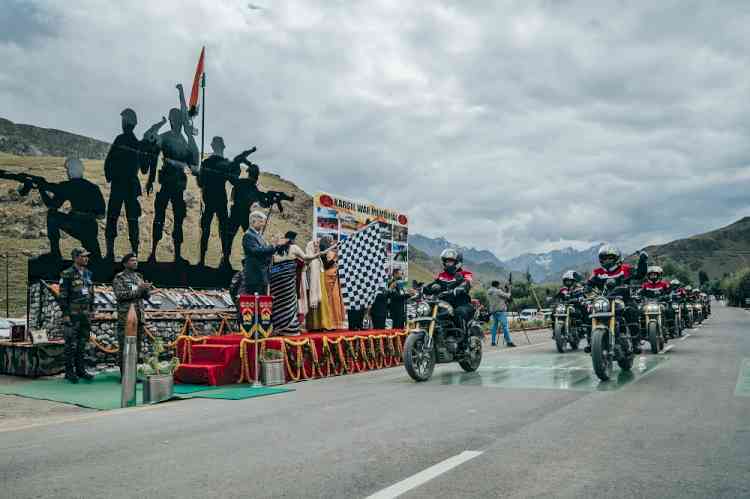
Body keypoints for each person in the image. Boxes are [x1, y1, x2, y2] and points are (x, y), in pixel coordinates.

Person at [146, 84, 200, 264]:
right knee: (159, 219)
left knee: (178, 220)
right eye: (173, 118)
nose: (176, 120)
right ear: (170, 120)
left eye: (178, 118)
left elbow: (193, 166)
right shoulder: (166, 137)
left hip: (178, 185)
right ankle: (153, 252)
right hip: (167, 182)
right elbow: (150, 139)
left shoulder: (185, 141)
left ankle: (177, 255)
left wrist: (183, 95)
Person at [104, 108, 166, 260]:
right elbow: (144, 169)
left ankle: (113, 253)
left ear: (126, 123)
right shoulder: (138, 145)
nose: (123, 123)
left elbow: (109, 162)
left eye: (124, 120)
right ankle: (133, 253)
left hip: (120, 184)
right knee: (130, 219)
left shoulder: (122, 140)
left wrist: (112, 176)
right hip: (130, 184)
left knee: (115, 217)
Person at [587, 244, 648, 353]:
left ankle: (635, 342)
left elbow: (640, 274)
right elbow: (589, 284)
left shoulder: (625, 269)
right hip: (604, 300)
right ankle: (591, 341)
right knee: (588, 314)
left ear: (616, 258)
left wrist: (643, 261)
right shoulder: (597, 272)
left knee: (632, 311)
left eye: (610, 257)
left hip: (623, 299)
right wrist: (586, 289)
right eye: (604, 258)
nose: (607, 260)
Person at [195, 136, 245, 267]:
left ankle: (202, 260)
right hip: (220, 198)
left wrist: (199, 175)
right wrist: (236, 169)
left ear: (212, 146)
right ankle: (225, 259)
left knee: (207, 229)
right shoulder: (226, 164)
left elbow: (200, 183)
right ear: (222, 147)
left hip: (210, 198)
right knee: (223, 230)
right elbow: (234, 180)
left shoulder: (206, 163)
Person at [42, 158, 106, 259]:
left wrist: (42, 190)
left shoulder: (66, 186)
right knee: (95, 258)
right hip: (91, 227)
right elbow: (102, 215)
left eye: (67, 170)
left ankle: (55, 253)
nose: (67, 172)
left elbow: (52, 205)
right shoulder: (93, 187)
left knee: (52, 215)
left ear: (70, 171)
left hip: (75, 225)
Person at [58, 248, 95, 383]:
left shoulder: (88, 273)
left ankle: (81, 370)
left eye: (87, 256)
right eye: (83, 256)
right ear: (76, 257)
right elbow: (62, 296)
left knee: (82, 343)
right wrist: (65, 314)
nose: (86, 258)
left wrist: (92, 310)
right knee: (70, 344)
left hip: (85, 315)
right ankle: (69, 371)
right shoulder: (67, 274)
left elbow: (91, 294)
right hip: (73, 315)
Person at [113, 253, 152, 378]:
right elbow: (120, 295)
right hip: (126, 317)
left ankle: (133, 374)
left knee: (136, 347)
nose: (135, 262)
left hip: (138, 316)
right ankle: (125, 375)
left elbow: (146, 297)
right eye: (132, 260)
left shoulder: (139, 276)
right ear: (125, 263)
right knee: (125, 346)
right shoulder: (120, 277)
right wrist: (139, 290)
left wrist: (146, 290)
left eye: (136, 260)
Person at [424, 249, 475, 328]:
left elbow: (468, 283)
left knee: (459, 312)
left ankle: (463, 338)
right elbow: (434, 284)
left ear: (457, 263)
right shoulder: (441, 275)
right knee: (428, 311)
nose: (447, 264)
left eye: (450, 261)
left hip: (462, 304)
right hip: (445, 304)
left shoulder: (465, 273)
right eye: (446, 261)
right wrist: (424, 289)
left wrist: (461, 287)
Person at [241, 211, 289, 295]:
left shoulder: (258, 236)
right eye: (261, 222)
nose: (263, 224)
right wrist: (274, 245)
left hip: (261, 276)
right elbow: (256, 251)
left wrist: (277, 246)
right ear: (253, 221)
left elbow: (265, 250)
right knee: (255, 303)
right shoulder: (248, 235)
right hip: (254, 277)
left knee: (262, 303)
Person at [487, 280, 514, 347]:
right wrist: (509, 290)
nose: (500, 286)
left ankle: (493, 342)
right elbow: (508, 296)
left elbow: (500, 298)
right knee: (505, 326)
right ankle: (509, 342)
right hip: (500, 311)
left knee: (495, 326)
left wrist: (503, 290)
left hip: (493, 311)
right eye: (499, 285)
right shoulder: (498, 291)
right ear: (497, 285)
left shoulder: (489, 291)